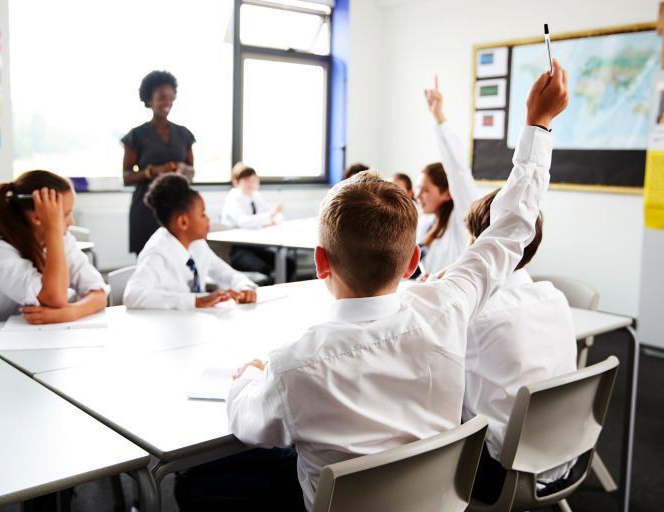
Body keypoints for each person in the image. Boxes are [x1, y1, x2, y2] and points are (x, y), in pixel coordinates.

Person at [226, 60, 568, 511]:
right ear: (412, 262)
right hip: (436, 501)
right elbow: (512, 228)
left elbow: (245, 421)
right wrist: (538, 124)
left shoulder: (292, 368)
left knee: (205, 479)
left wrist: (247, 378)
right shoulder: (447, 308)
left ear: (320, 262)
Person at [461, 189, 578, 502]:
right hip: (565, 457)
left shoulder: (476, 314)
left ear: (480, 245)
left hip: (499, 474)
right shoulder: (554, 297)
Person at [0, 170, 108, 324]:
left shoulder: (62, 239)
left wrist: (72, 312)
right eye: (65, 214)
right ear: (37, 217)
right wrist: (54, 230)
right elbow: (55, 298)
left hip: (32, 332)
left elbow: (99, 293)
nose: (71, 222)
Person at [124, 174, 258, 309]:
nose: (208, 219)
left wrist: (245, 288)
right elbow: (132, 295)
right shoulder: (158, 253)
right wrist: (195, 301)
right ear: (183, 222)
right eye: (202, 214)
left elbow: (227, 275)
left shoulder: (197, 244)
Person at [122, 70, 196, 255]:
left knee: (179, 259)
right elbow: (126, 176)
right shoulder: (136, 136)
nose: (167, 103)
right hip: (146, 209)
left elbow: (192, 171)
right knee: (148, 259)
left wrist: (182, 169)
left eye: (171, 97)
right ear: (149, 100)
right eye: (162, 98)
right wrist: (152, 171)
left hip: (178, 205)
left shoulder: (184, 134)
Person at [416, 76, 480, 275]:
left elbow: (458, 169)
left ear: (447, 193)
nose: (418, 196)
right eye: (418, 188)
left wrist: (438, 116)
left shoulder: (462, 219)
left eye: (426, 190)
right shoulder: (426, 222)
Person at [221, 163, 296, 280]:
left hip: (258, 246)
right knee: (263, 269)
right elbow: (244, 222)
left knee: (288, 263)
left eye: (254, 180)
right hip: (241, 248)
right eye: (246, 180)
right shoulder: (233, 197)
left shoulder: (255, 196)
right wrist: (270, 216)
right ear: (236, 182)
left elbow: (278, 217)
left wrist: (270, 217)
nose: (251, 184)